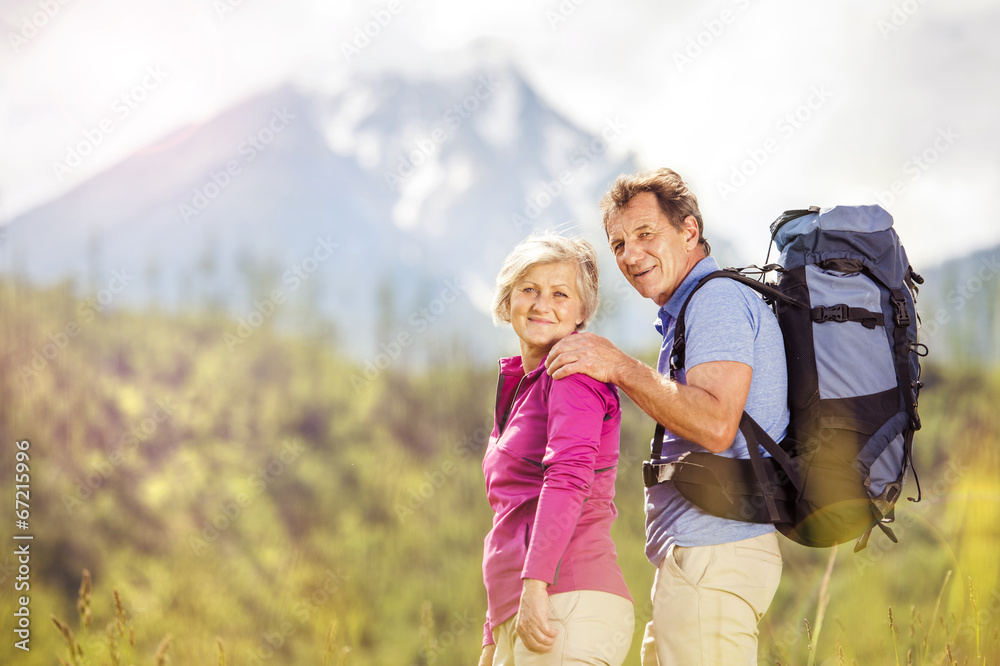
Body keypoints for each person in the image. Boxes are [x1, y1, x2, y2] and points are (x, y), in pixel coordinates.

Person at [545, 168, 787, 665]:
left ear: (690, 231)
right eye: (617, 244)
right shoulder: (691, 308)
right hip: (697, 562)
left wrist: (618, 366)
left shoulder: (716, 300)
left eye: (645, 234)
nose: (630, 255)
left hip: (713, 557)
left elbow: (716, 424)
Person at [480, 231, 634, 666]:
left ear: (582, 310)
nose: (541, 304)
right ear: (508, 298)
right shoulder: (522, 384)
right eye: (529, 289)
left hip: (565, 599)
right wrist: (493, 633)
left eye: (560, 293)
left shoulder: (573, 375)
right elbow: (509, 516)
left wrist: (534, 586)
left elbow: (568, 480)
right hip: (522, 606)